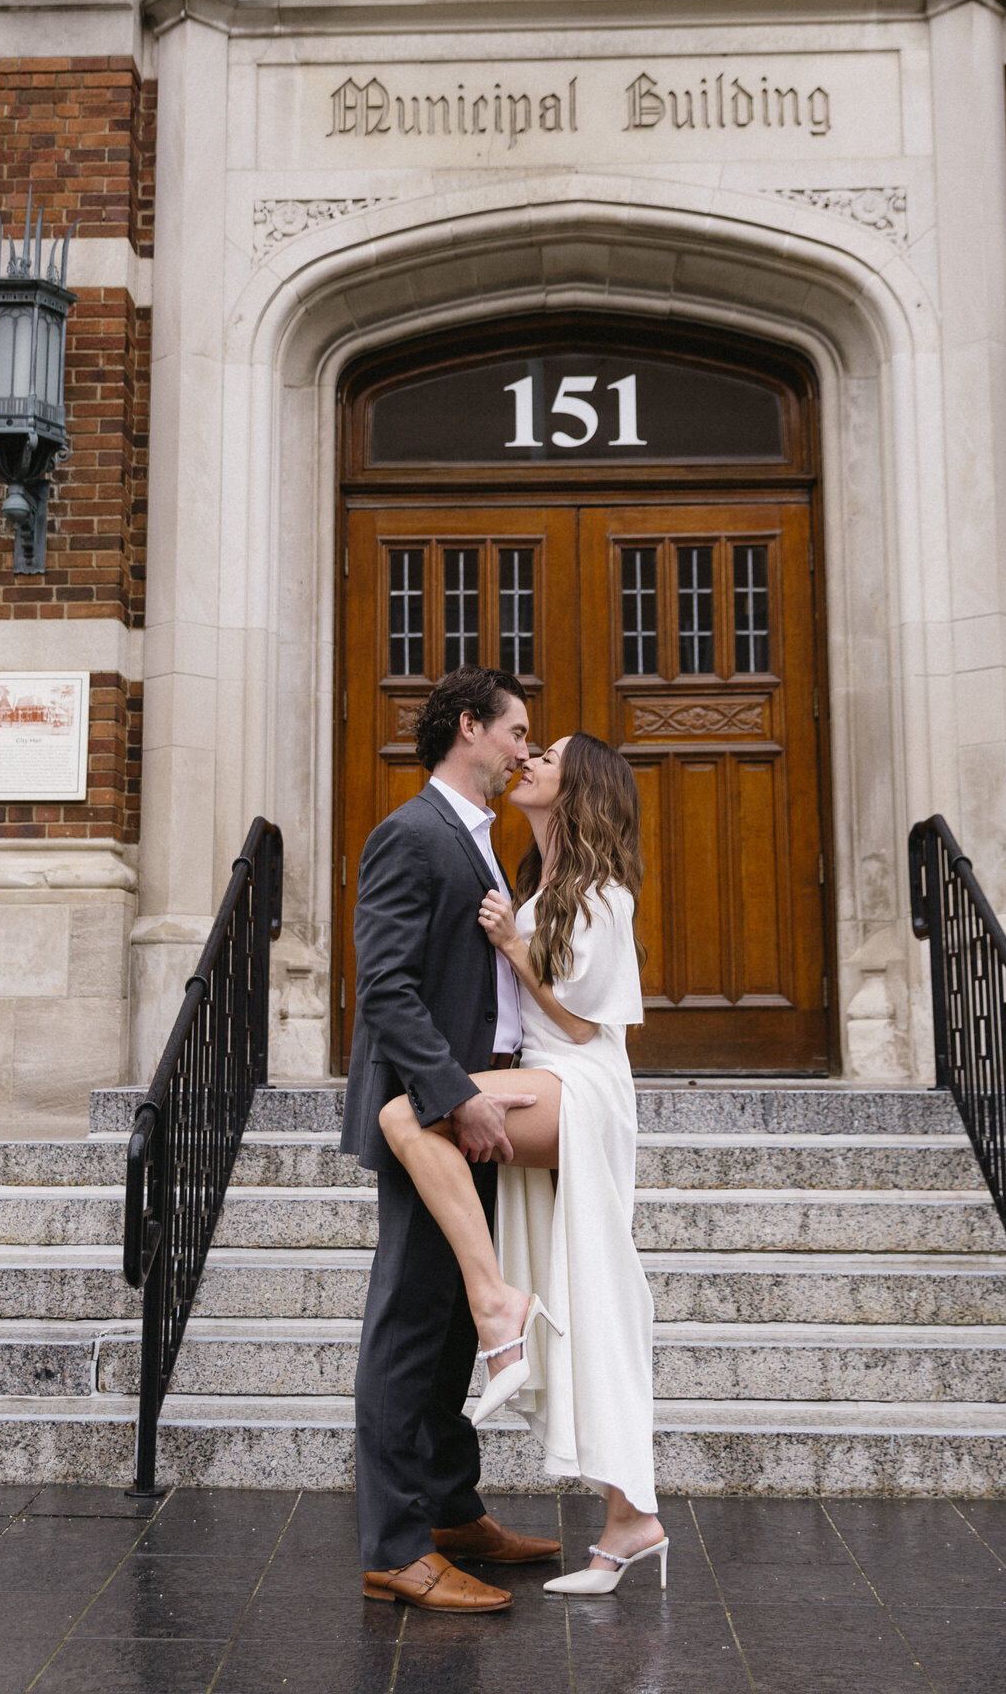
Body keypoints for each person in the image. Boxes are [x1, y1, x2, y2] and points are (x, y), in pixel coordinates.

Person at [379, 731, 666, 1597]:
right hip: (541, 1078)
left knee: (407, 1110)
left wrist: (511, 948)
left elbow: (584, 1028)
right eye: (529, 749)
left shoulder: (602, 894)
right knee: (590, 1298)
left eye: (550, 758)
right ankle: (629, 1520)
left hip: (581, 1087)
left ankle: (497, 1307)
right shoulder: (534, 881)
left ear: (580, 788)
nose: (530, 762)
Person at [341, 664, 564, 1614]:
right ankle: (396, 1547)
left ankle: (449, 1508)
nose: (525, 750)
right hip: (426, 1115)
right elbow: (383, 984)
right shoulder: (412, 832)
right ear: (470, 728)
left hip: (472, 1109)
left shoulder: (480, 841)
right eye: (517, 732)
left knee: (443, 1330)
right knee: (406, 1325)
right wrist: (451, 1097)